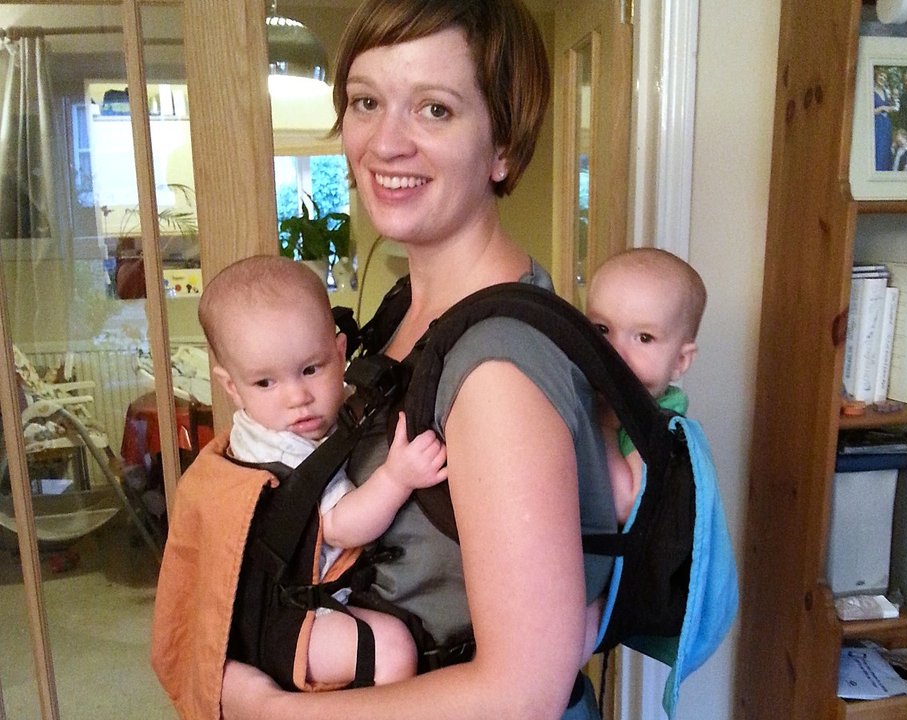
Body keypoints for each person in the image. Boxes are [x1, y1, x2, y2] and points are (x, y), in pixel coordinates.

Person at [219, 1, 615, 718]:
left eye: (434, 109)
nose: (384, 142)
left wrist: (270, 710)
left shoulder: (498, 371)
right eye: (367, 101)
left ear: (503, 146)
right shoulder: (407, 307)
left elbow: (520, 695)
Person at [187, 255, 448, 689]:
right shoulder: (283, 450)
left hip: (301, 605)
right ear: (231, 387)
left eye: (311, 369)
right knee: (392, 646)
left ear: (340, 352)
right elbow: (342, 526)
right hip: (287, 622)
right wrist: (397, 477)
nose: (297, 397)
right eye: (265, 383)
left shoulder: (273, 422)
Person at [585, 248, 706, 525]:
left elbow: (624, 504)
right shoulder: (584, 390)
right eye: (602, 329)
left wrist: (604, 426)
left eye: (644, 337)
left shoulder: (662, 424)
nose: (614, 352)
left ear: (679, 360)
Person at [872, 68, 898, 172]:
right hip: (877, 124)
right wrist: (882, 108)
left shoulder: (885, 92)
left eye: (884, 77)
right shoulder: (871, 91)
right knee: (879, 148)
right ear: (876, 76)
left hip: (886, 124)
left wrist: (891, 108)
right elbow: (869, 111)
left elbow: (887, 108)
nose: (882, 78)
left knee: (886, 148)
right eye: (881, 76)